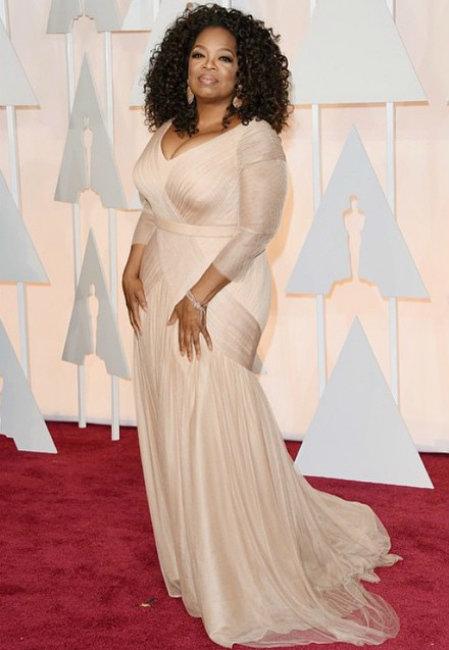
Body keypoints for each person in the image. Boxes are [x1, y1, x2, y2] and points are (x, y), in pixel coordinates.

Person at [121, 4, 403, 647]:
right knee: (175, 421)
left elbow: (256, 230)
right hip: (162, 285)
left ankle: (237, 569)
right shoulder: (169, 127)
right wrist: (133, 262)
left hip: (219, 291)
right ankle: (198, 556)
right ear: (182, 65)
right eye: (199, 55)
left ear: (244, 71)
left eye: (224, 57)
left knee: (212, 422)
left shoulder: (255, 139)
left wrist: (198, 297)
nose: (209, 67)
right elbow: (154, 204)